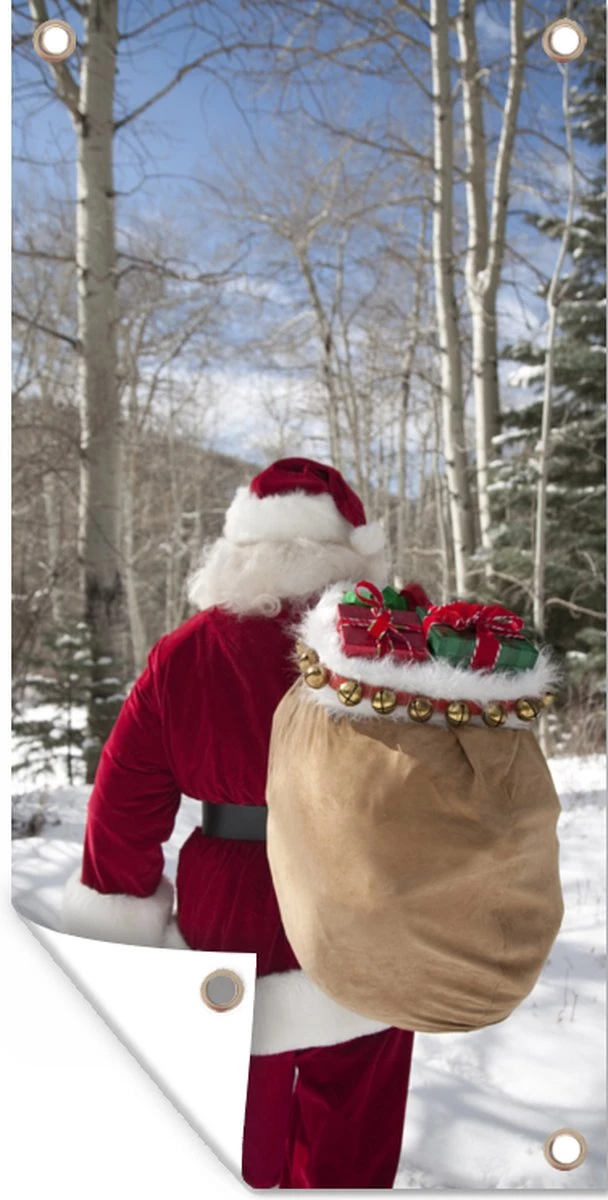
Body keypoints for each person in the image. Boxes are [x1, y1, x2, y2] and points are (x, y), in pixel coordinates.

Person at [62, 456, 415, 1189]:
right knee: (351, 1138)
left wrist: (118, 925)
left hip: (227, 912)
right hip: (361, 900)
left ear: (239, 548)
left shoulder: (184, 654)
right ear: (350, 551)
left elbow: (123, 806)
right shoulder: (390, 652)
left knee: (223, 1135)